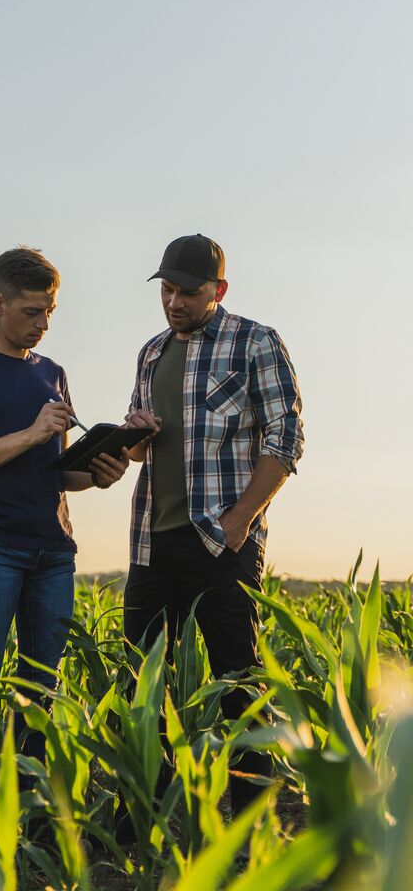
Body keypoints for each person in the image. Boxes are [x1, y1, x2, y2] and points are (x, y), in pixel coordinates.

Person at [123, 233, 305, 814]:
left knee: (238, 681)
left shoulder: (256, 342)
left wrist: (239, 521)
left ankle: (252, 816)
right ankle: (148, 813)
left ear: (218, 290)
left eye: (189, 292)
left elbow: (287, 437)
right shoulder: (151, 352)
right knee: (142, 684)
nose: (175, 303)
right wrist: (134, 432)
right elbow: (135, 454)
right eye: (167, 291)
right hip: (153, 540)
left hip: (222, 540)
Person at [0, 246, 130, 733]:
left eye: (50, 312)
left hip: (54, 550)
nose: (43, 323)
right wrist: (32, 434)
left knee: (42, 687)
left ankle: (32, 804)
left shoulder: (52, 373)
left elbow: (56, 471)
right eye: (32, 312)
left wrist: (101, 473)